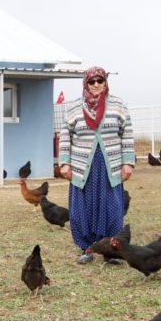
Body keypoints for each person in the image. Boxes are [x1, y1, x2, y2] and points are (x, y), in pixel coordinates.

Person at [57, 67, 135, 263]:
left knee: (112, 207)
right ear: (86, 84)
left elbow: (126, 134)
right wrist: (64, 163)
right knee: (82, 208)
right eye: (92, 81)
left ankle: (111, 250)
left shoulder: (118, 105)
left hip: (111, 166)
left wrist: (128, 163)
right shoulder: (75, 107)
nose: (97, 85)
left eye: (100, 80)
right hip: (83, 166)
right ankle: (87, 248)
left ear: (106, 82)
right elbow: (66, 136)